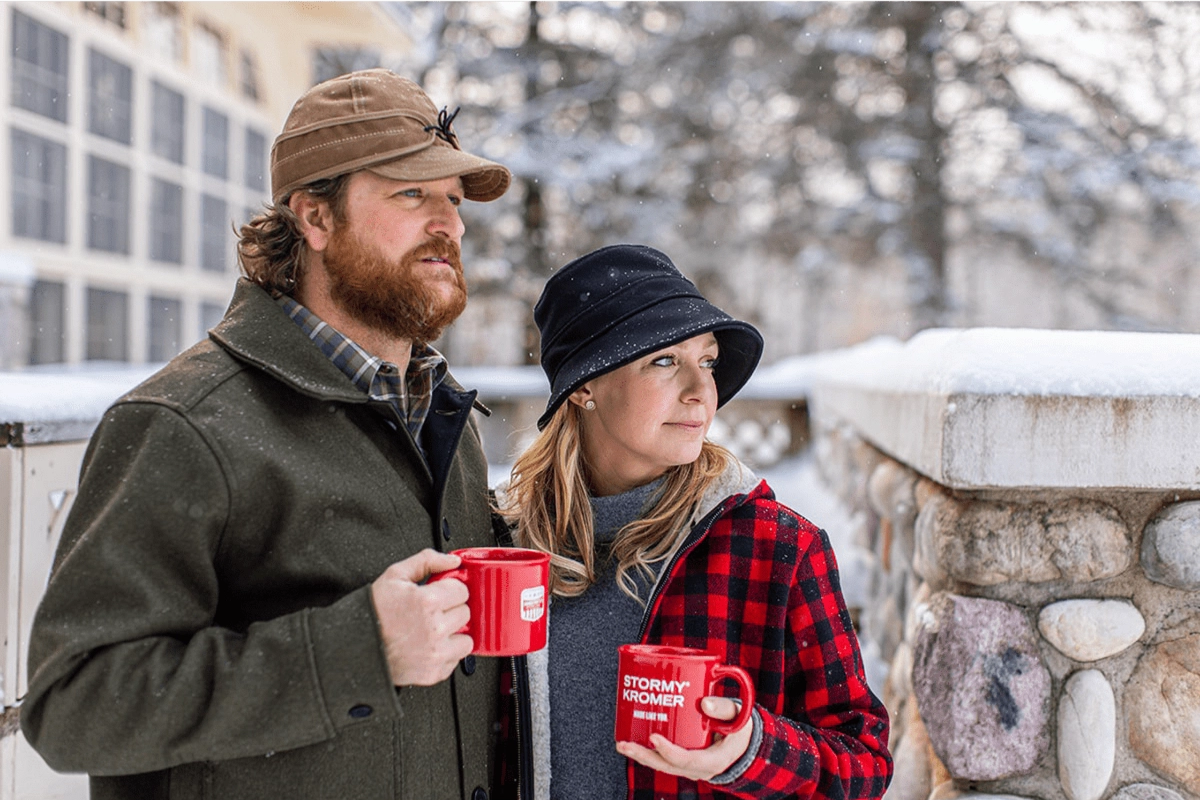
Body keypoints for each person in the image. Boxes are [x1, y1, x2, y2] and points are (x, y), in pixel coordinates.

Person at [21, 69, 511, 800]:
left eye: (452, 199)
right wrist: (359, 650)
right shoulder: (185, 424)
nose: (450, 224)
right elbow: (76, 706)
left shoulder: (441, 416)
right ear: (315, 217)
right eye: (412, 194)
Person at [495, 244, 892, 800]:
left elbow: (864, 763)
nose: (701, 390)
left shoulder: (777, 548)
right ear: (584, 386)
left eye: (706, 361)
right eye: (664, 361)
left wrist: (750, 749)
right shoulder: (499, 549)